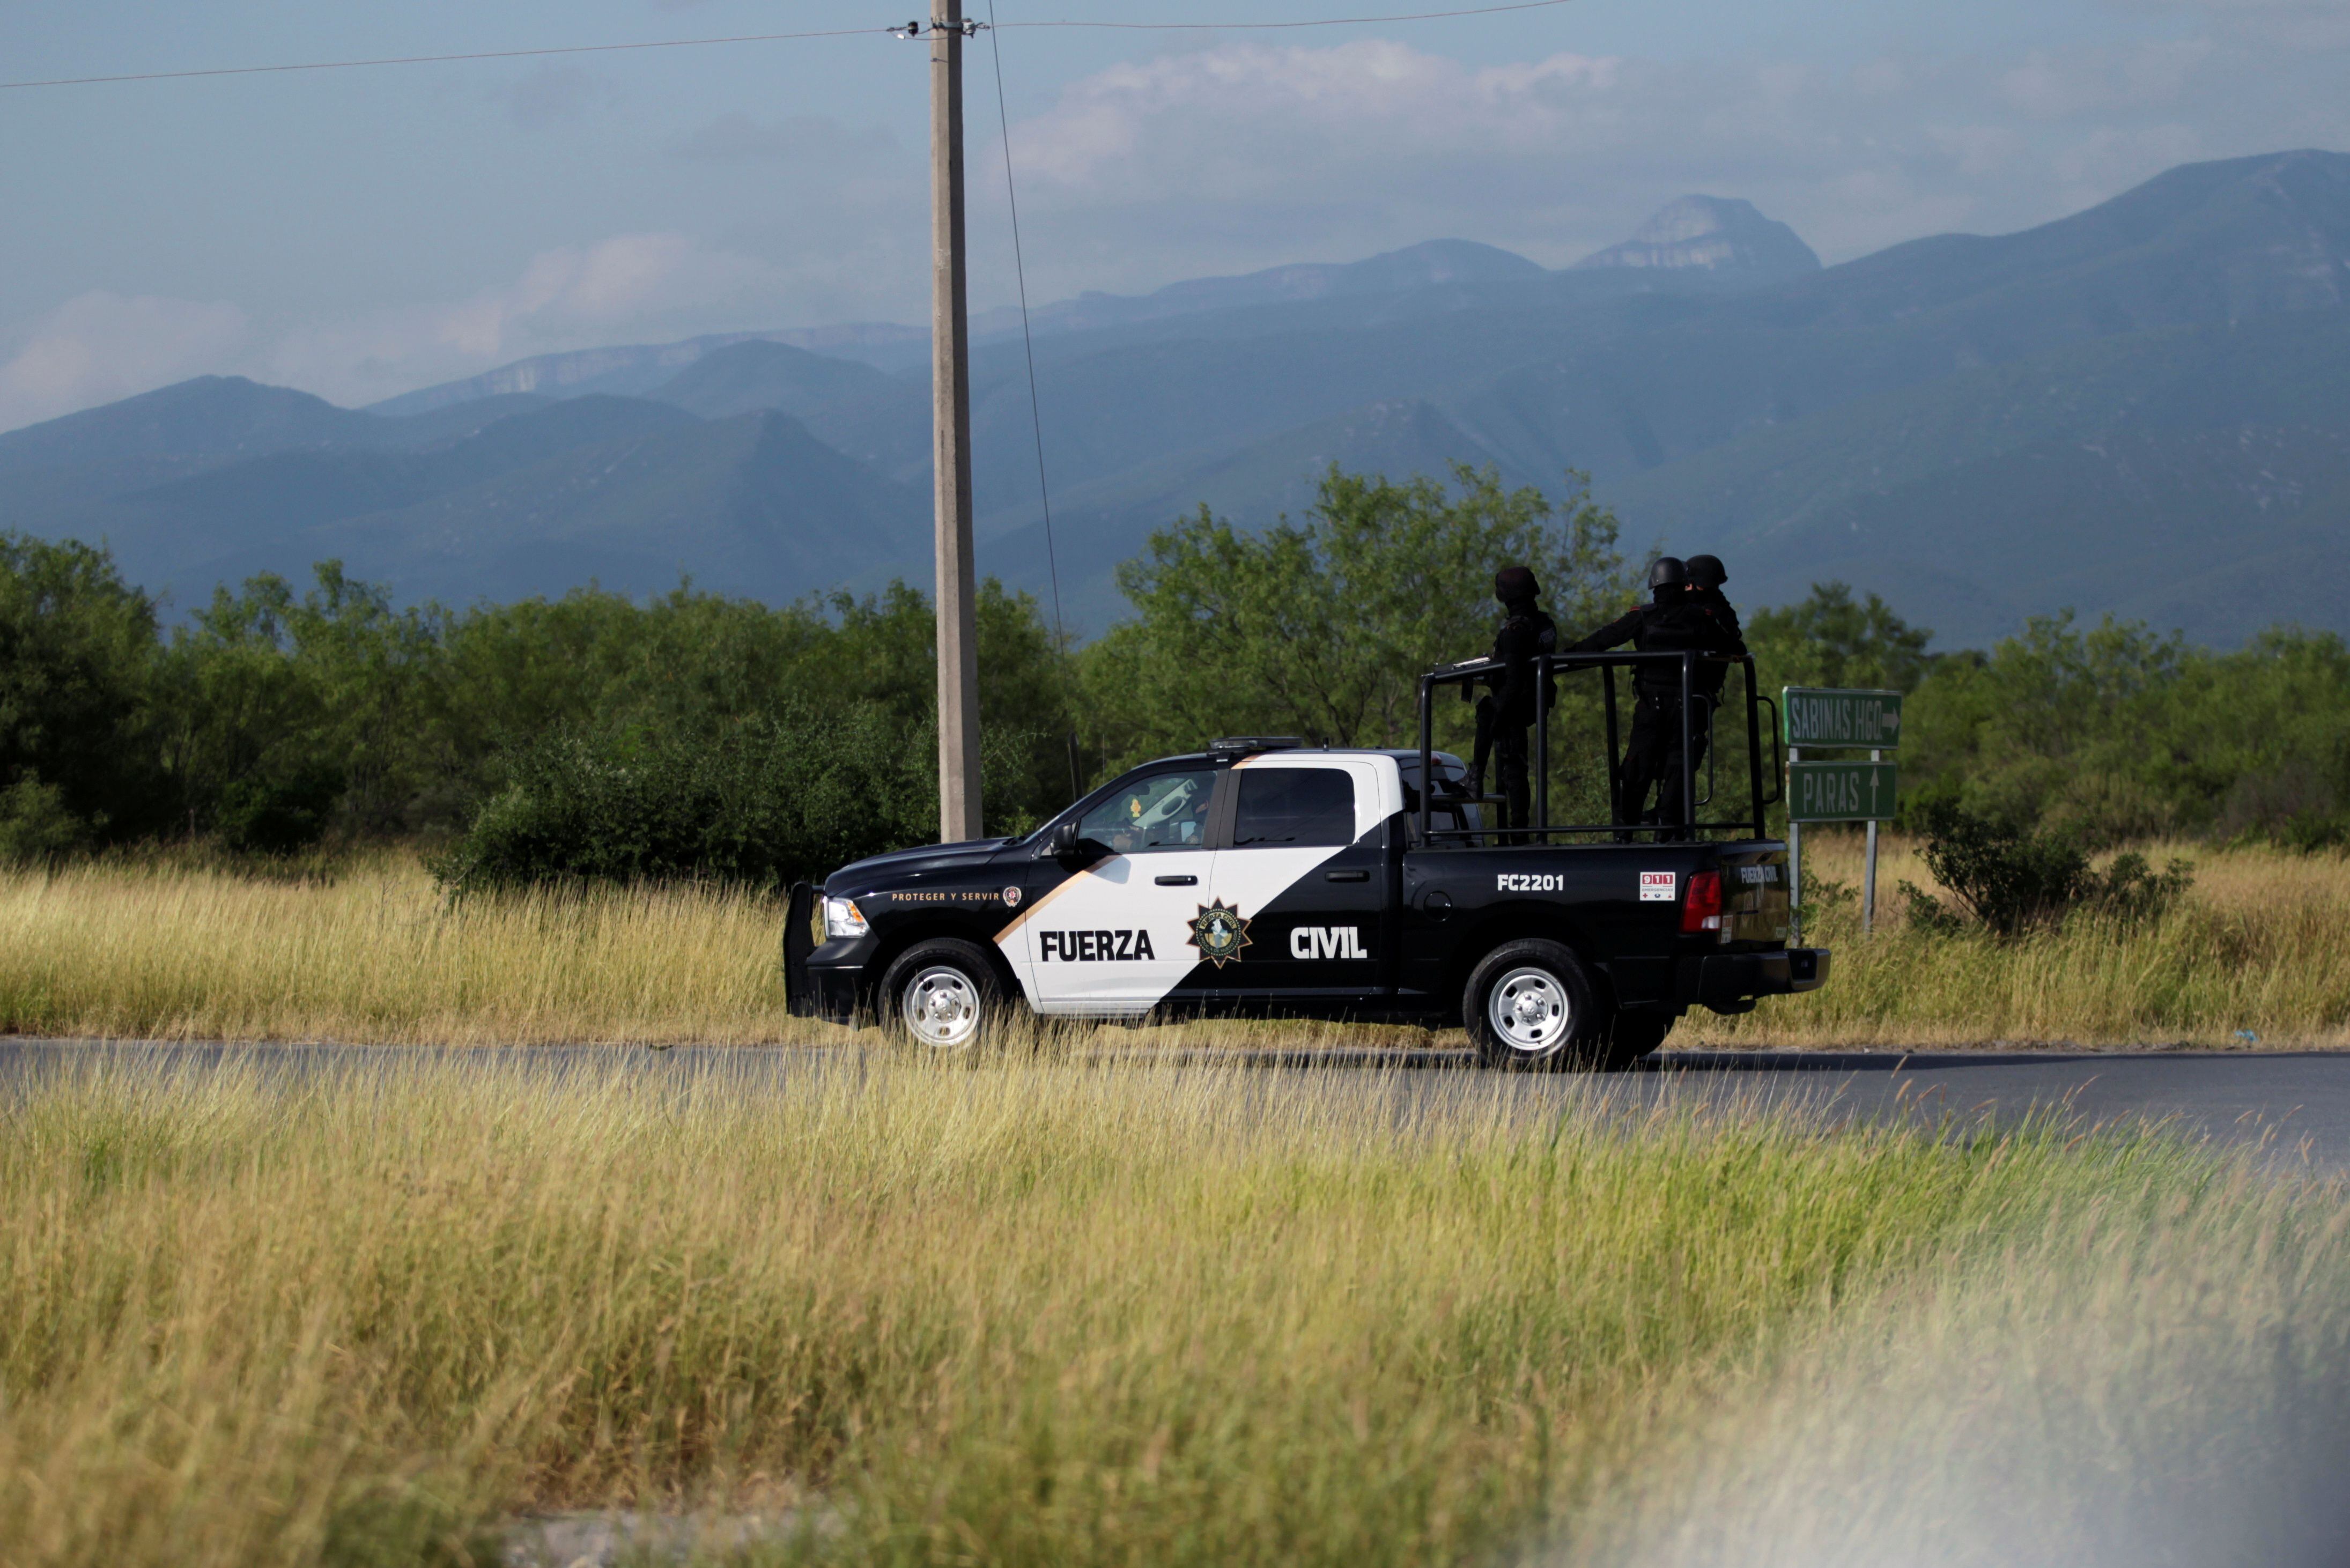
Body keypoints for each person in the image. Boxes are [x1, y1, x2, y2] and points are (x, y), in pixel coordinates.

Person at [1568, 557, 1720, 837]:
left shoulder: (1642, 617)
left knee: (1637, 769)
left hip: (1652, 708)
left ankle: (1626, 833)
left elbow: (1603, 639)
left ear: (1654, 586)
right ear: (1684, 584)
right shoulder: (1703, 620)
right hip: (1688, 710)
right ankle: (1668, 831)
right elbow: (1731, 646)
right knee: (1678, 769)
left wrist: (1563, 658)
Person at [1467, 564, 1557, 836]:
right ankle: (1515, 826)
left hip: (1515, 705)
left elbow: (1514, 680)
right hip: (1534, 700)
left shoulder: (1516, 632)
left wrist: (1497, 719)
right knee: (1515, 766)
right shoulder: (1544, 624)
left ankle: (1476, 777)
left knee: (1513, 766)